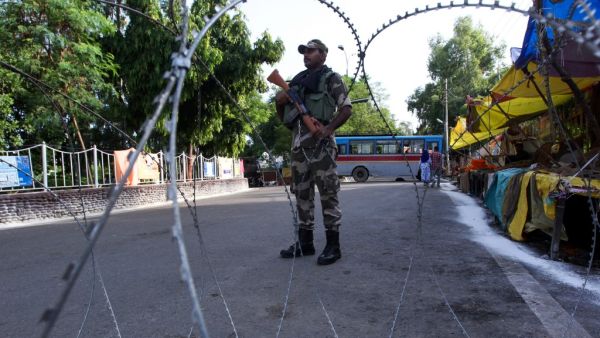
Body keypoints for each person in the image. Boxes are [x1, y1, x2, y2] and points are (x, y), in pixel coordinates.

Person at [275, 39, 352, 265]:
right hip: (299, 147)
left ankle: (333, 245)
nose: (306, 55)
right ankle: (305, 243)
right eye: (304, 52)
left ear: (324, 54)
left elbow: (346, 109)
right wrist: (280, 103)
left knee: (328, 193)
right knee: (302, 195)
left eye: (311, 51)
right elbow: (285, 120)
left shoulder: (331, 79)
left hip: (321, 148)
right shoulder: (297, 83)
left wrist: (328, 129)